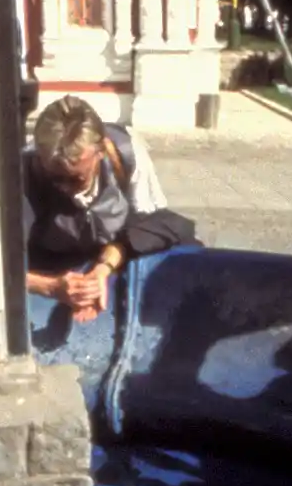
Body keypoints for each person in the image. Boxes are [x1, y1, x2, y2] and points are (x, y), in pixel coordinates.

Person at [17, 95, 196, 320]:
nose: (65, 189)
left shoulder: (126, 153)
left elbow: (156, 224)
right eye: (55, 178)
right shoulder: (23, 171)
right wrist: (49, 287)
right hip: (51, 262)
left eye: (75, 179)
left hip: (115, 253)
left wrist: (103, 268)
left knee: (183, 241)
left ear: (100, 153)